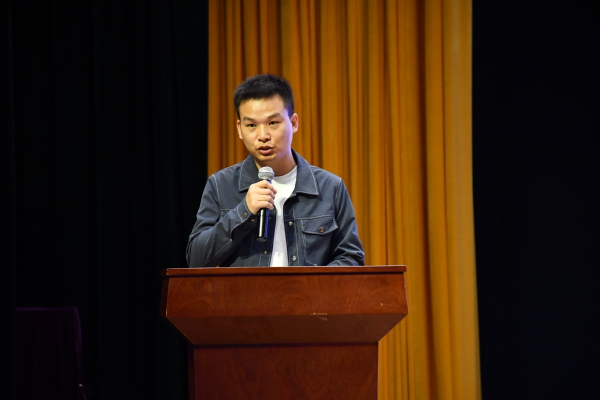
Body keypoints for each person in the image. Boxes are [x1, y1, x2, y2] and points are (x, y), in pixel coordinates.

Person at [186, 74, 364, 268]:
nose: (263, 136)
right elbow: (196, 259)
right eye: (251, 125)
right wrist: (243, 212)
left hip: (309, 290)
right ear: (239, 129)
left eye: (273, 123)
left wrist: (311, 284)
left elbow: (351, 258)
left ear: (293, 123)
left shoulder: (330, 187)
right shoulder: (221, 185)